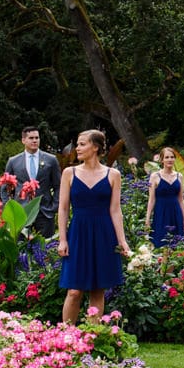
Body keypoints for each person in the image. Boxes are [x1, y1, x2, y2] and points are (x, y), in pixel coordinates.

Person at [57, 129, 131, 323]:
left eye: (82, 144)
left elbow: (115, 211)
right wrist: (62, 239)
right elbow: (63, 209)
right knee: (74, 290)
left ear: (95, 147)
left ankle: (92, 336)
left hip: (104, 234)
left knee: (98, 290)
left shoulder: (113, 175)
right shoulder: (69, 173)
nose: (77, 148)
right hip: (78, 233)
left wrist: (122, 242)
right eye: (78, 144)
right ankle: (65, 339)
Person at [1, 126, 62, 239]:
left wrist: (54, 207)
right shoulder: (13, 161)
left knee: (46, 251)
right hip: (21, 213)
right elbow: (4, 187)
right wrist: (8, 208)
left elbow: (58, 186)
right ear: (23, 140)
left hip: (45, 212)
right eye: (31, 138)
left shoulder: (51, 160)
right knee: (22, 251)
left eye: (37, 138)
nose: (35, 140)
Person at [145, 147, 184, 247]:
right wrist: (147, 219)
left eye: (172, 157)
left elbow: (181, 200)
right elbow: (151, 199)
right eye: (167, 157)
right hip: (161, 213)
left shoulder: (179, 176)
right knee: (161, 243)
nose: (170, 159)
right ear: (162, 160)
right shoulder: (155, 176)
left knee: (177, 245)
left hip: (175, 213)